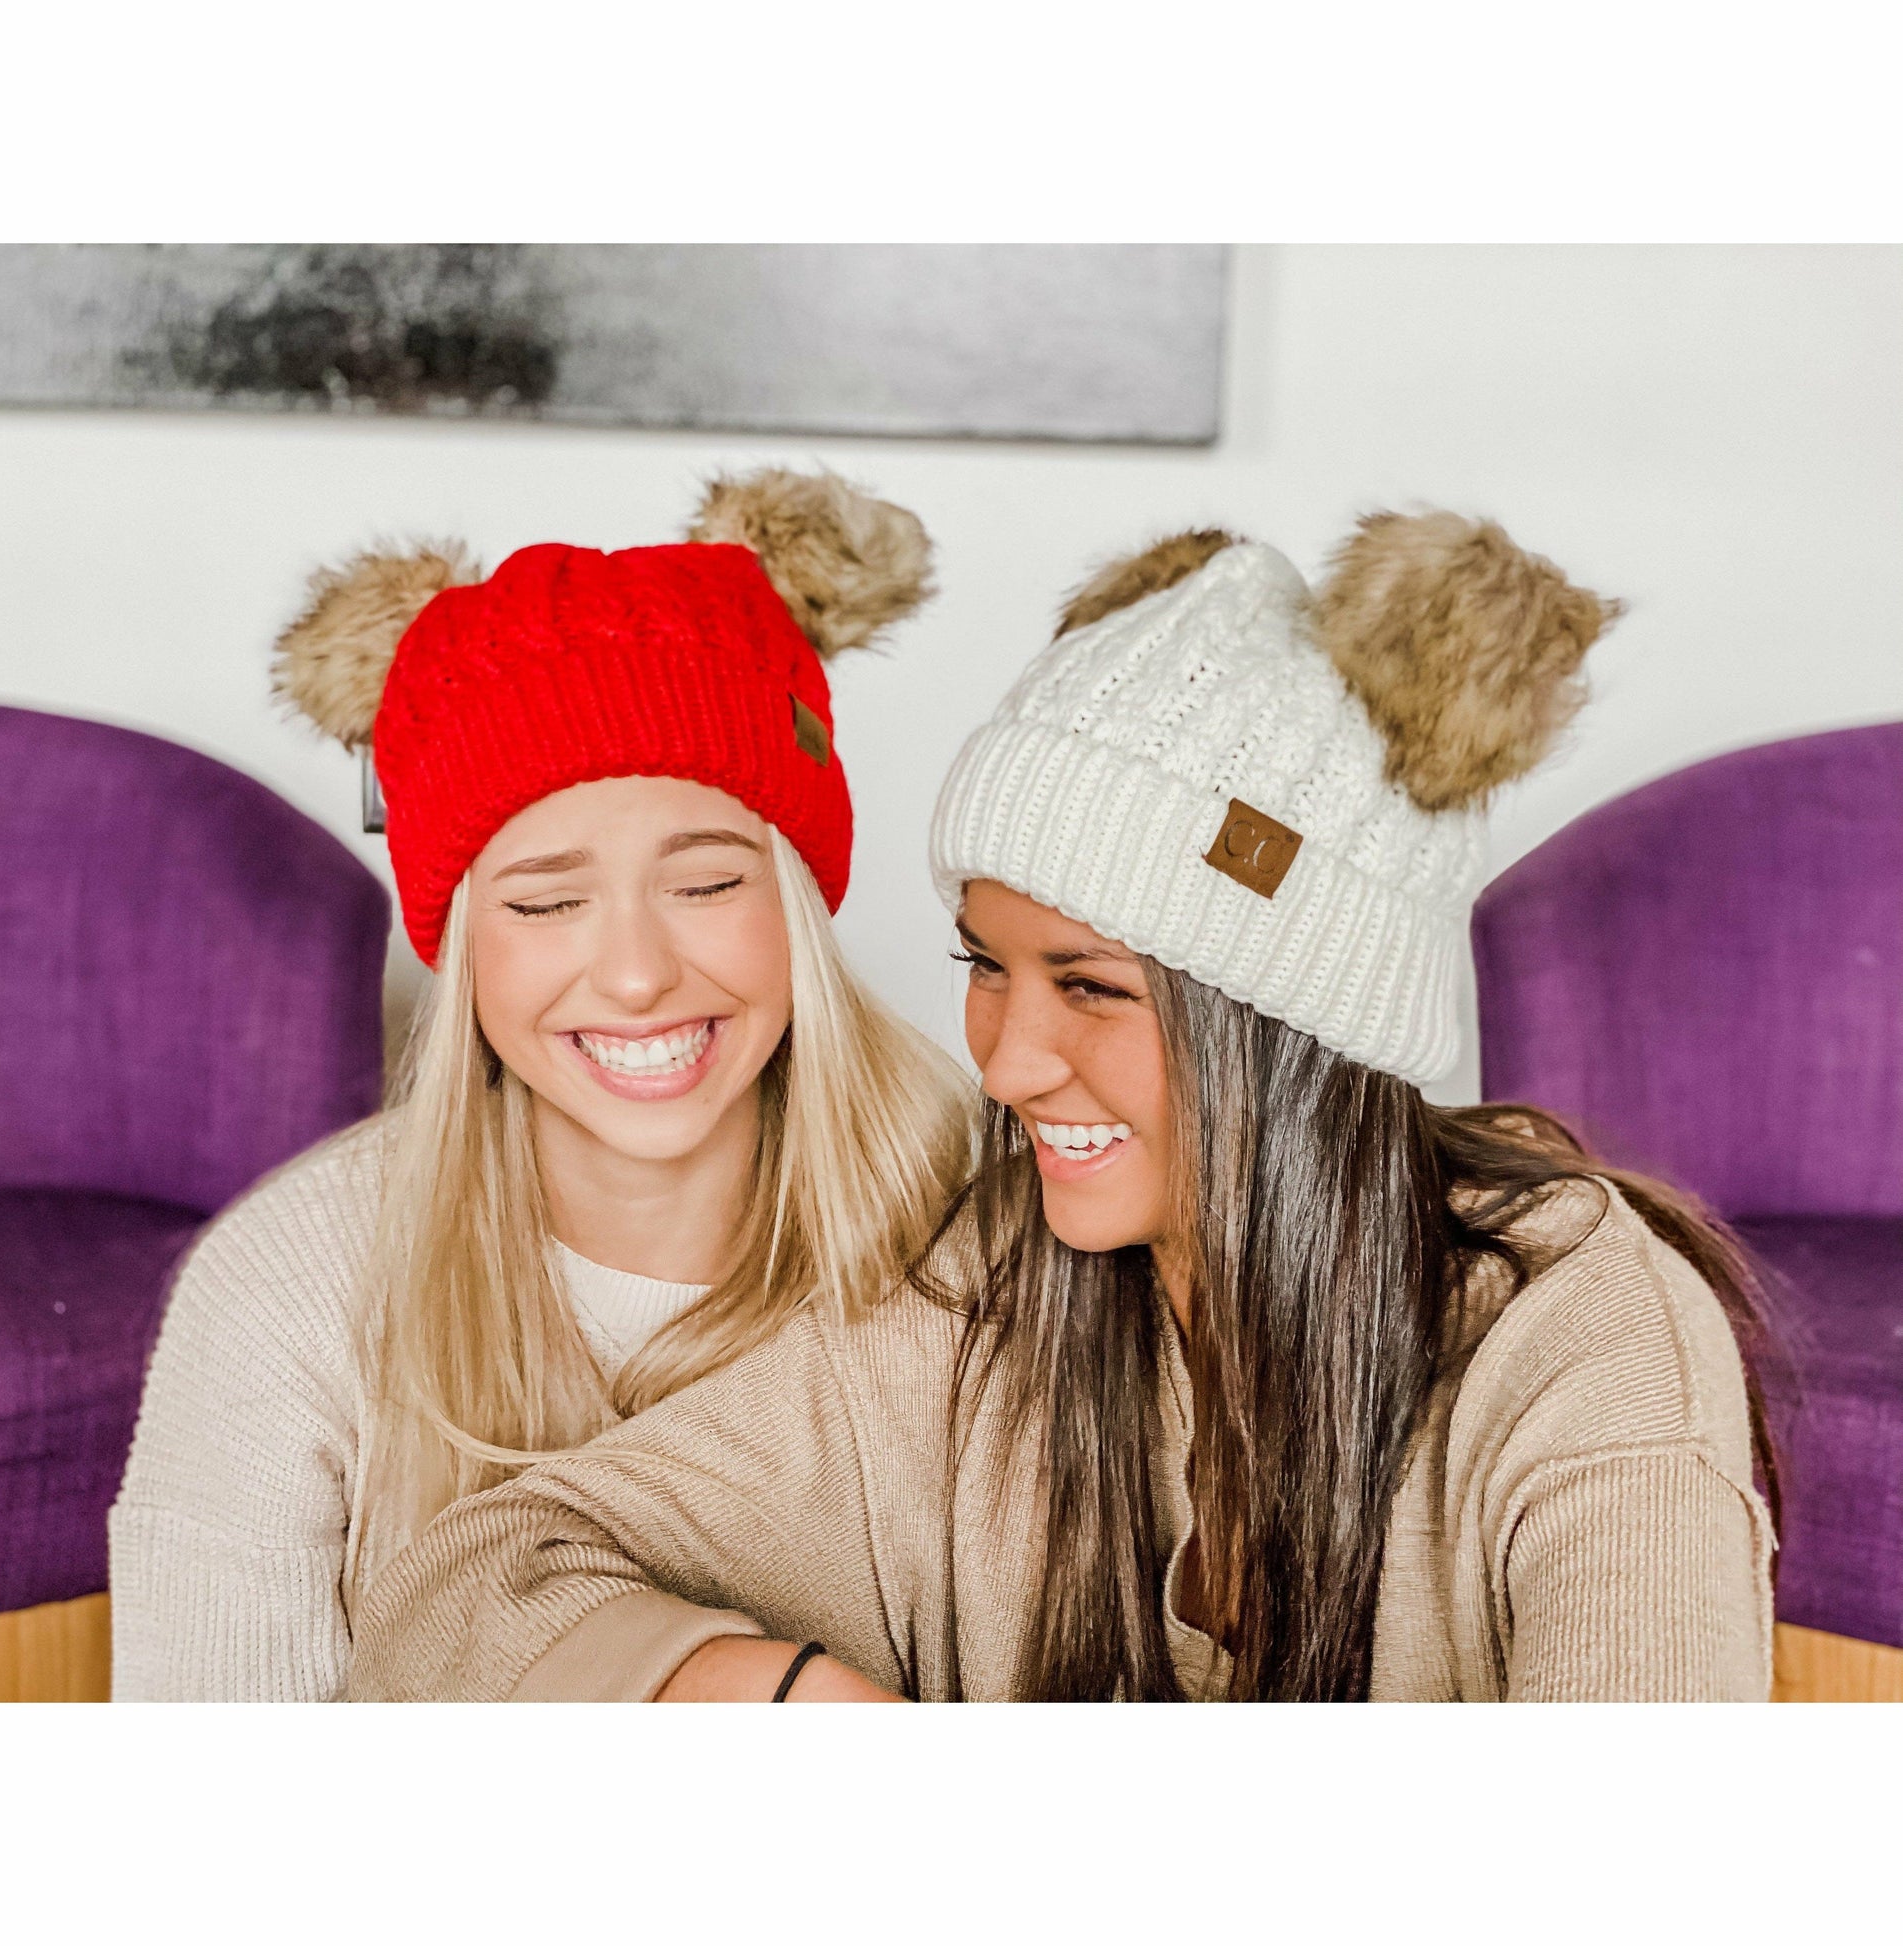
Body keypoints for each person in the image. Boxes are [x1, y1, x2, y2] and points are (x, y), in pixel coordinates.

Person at [346, 511, 1779, 1703]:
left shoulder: (1586, 1347)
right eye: (985, 966)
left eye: (1088, 987)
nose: (1006, 1063)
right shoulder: (989, 1290)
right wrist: (772, 1698)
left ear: (1294, 1030)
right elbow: (468, 1584)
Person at [108, 468, 972, 1700]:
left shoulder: (980, 1226)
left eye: (706, 883)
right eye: (548, 902)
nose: (635, 974)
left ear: (797, 895)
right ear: (464, 941)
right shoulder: (293, 1282)